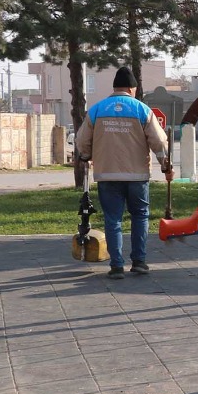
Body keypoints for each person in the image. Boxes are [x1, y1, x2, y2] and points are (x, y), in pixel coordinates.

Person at [74, 67, 170, 278]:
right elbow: (159, 141)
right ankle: (139, 261)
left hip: (107, 174)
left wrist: (86, 155)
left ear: (115, 88)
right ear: (132, 89)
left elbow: (81, 140)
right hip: (137, 176)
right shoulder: (142, 110)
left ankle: (116, 265)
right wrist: (165, 165)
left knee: (113, 219)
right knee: (140, 216)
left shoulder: (97, 110)